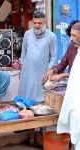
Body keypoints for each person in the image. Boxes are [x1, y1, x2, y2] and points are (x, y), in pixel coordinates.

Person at [18, 10, 58, 103]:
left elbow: (54, 57)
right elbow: (23, 53)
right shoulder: (27, 34)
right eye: (34, 23)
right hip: (27, 71)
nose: (36, 25)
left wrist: (48, 72)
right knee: (24, 99)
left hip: (41, 72)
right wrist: (22, 69)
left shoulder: (51, 36)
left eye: (39, 23)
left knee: (39, 100)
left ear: (45, 22)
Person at [57, 22, 80, 150]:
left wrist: (61, 76)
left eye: (73, 35)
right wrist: (55, 71)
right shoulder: (75, 49)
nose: (70, 39)